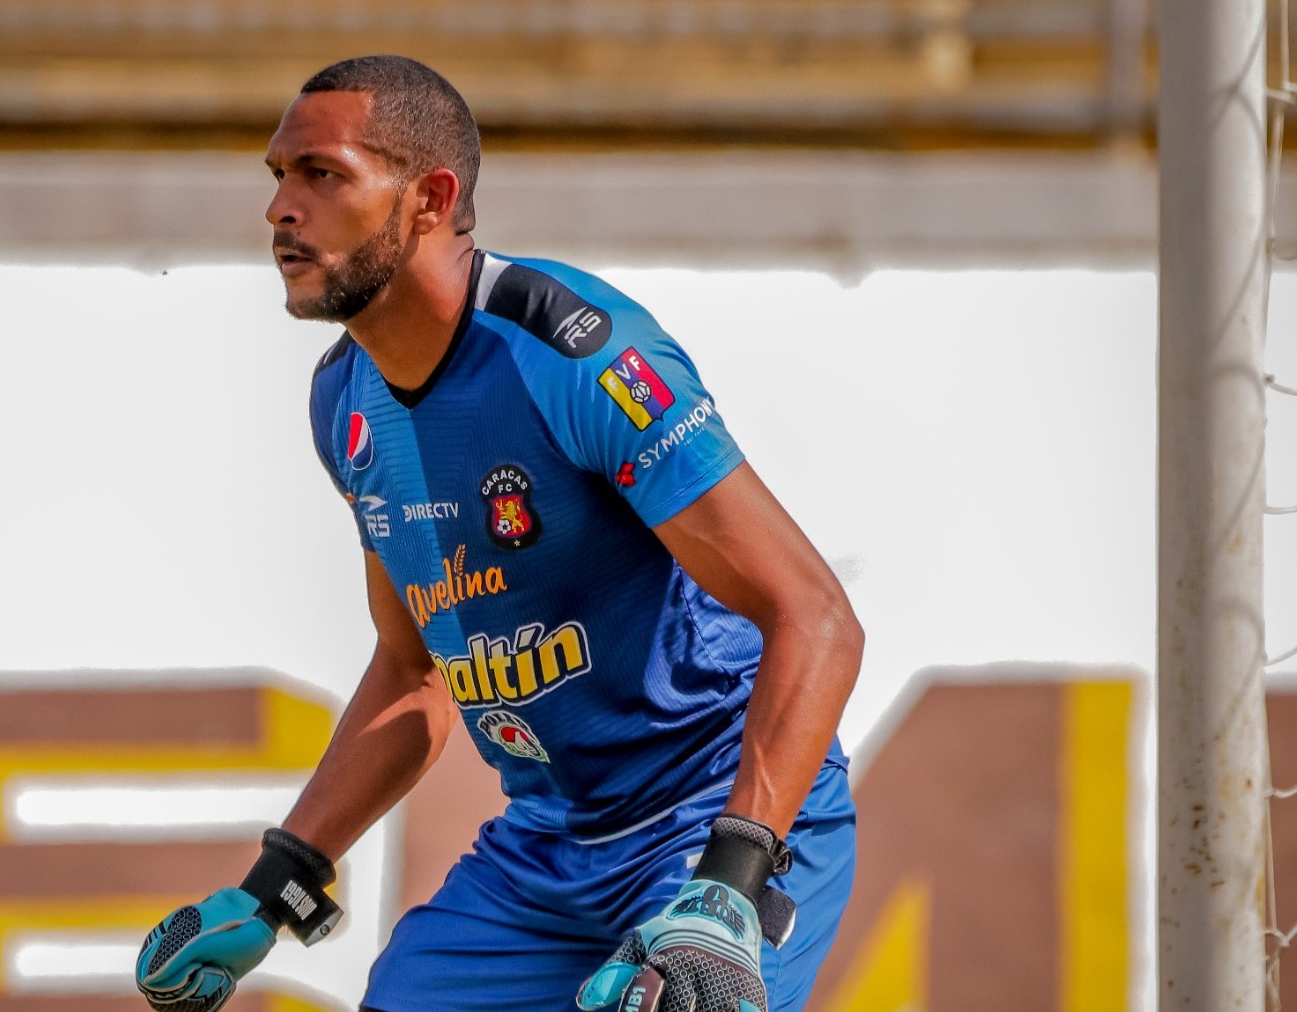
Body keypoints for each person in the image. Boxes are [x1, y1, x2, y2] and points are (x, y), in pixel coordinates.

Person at [135, 55, 863, 1012]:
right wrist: (278, 882)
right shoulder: (341, 402)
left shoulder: (581, 354)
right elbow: (413, 672)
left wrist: (731, 877)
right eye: (278, 176)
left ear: (431, 199)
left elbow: (816, 616)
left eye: (323, 174)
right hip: (549, 853)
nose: (280, 209)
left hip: (717, 820)